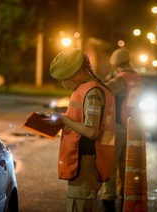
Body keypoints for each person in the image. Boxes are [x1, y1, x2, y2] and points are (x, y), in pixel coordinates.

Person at [48, 48, 116, 212]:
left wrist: (64, 119)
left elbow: (92, 132)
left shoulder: (92, 93)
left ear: (78, 72)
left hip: (87, 164)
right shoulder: (86, 89)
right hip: (84, 162)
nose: (63, 82)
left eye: (66, 77)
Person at [101, 48, 143, 211]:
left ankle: (109, 199)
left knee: (111, 165)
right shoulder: (137, 78)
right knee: (127, 166)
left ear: (116, 65)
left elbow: (102, 91)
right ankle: (126, 197)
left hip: (117, 127)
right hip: (133, 127)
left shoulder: (120, 80)